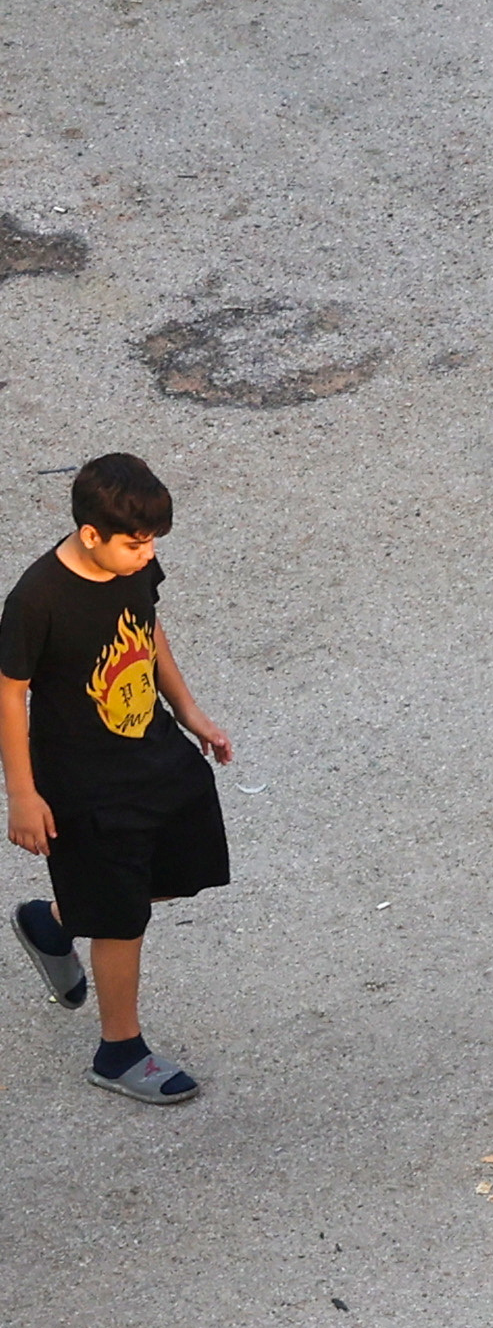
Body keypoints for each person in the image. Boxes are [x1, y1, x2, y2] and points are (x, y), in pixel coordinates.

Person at [8, 460, 237, 1108]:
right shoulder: (38, 599)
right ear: (89, 534)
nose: (149, 553)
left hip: (153, 751)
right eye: (136, 543)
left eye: (153, 541)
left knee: (178, 861)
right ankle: (119, 1051)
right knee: (120, 912)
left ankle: (53, 924)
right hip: (83, 780)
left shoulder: (132, 569)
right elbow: (9, 693)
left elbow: (147, 627)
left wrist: (190, 712)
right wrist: (22, 793)